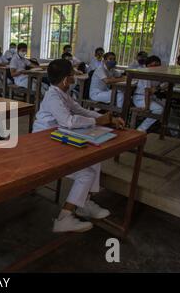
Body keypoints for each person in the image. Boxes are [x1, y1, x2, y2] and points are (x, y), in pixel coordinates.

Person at [33, 59, 125, 232]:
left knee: (94, 158)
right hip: (45, 141)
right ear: (66, 80)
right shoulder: (53, 96)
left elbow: (80, 110)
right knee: (86, 172)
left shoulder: (63, 93)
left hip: (58, 135)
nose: (75, 76)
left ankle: (83, 203)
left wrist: (107, 118)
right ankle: (64, 218)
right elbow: (68, 121)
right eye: (72, 75)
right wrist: (97, 120)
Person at [132, 55, 166, 132]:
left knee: (166, 105)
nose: (155, 68)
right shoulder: (146, 74)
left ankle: (161, 126)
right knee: (159, 109)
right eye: (153, 66)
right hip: (140, 98)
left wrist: (158, 88)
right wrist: (146, 107)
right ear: (147, 66)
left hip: (151, 97)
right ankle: (141, 129)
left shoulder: (158, 74)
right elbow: (147, 91)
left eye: (157, 66)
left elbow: (166, 83)